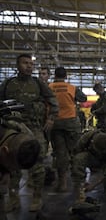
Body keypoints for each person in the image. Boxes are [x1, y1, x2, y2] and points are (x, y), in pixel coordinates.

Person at [0, 54, 59, 212]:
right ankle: (13, 199)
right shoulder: (8, 84)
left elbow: (53, 101)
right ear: (17, 65)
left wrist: (51, 118)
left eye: (31, 64)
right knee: (11, 163)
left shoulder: (38, 84)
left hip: (34, 128)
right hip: (13, 128)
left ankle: (37, 197)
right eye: (25, 63)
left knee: (37, 162)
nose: (29, 66)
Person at [48, 66, 87, 192]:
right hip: (71, 123)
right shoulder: (71, 88)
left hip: (55, 123)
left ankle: (62, 183)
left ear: (54, 75)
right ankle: (79, 182)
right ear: (66, 76)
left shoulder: (49, 87)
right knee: (76, 151)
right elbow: (84, 98)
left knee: (60, 153)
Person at [0, 99, 41, 220]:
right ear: (4, 150)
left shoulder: (24, 133)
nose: (13, 171)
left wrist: (6, 171)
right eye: (11, 167)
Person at [70, 129, 106, 203]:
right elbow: (75, 155)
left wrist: (94, 184)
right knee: (78, 158)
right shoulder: (86, 138)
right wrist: (80, 179)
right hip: (93, 158)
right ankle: (80, 187)